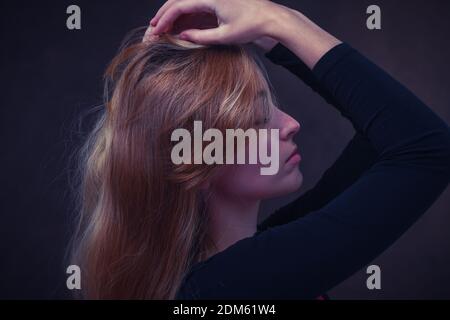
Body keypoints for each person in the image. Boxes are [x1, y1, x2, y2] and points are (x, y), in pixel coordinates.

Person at [70, 0, 450, 299]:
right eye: (254, 119)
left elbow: (385, 134)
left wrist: (264, 36)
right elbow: (424, 145)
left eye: (272, 105)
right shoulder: (230, 288)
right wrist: (279, 20)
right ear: (194, 162)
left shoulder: (241, 270)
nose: (290, 124)